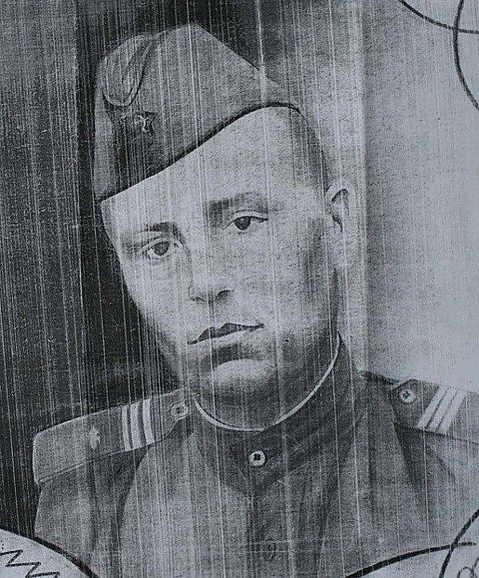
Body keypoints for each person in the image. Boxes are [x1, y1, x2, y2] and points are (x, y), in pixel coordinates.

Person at [32, 23, 479, 577]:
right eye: (157, 248)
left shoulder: (460, 468)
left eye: (244, 223)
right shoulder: (88, 503)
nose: (204, 282)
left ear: (337, 227)